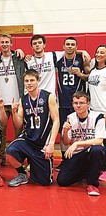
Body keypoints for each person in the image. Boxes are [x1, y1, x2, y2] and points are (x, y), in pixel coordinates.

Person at [6, 69, 59, 187]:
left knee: (44, 182)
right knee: (10, 152)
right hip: (28, 140)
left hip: (42, 143)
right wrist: (14, 113)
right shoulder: (23, 100)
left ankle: (35, 163)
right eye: (26, 81)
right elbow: (19, 124)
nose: (29, 83)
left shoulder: (48, 97)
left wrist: (51, 144)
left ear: (38, 81)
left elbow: (56, 121)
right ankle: (22, 174)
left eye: (32, 80)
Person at [57, 91, 106, 196]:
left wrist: (77, 144)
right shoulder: (70, 118)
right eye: (75, 103)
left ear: (88, 104)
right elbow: (66, 142)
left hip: (94, 152)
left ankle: (92, 184)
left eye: (81, 103)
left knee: (97, 149)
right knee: (62, 181)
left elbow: (99, 141)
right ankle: (90, 172)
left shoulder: (98, 117)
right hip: (78, 155)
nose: (78, 105)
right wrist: (65, 132)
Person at [55, 37, 90, 171]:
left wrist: (80, 73)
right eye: (67, 44)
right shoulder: (58, 60)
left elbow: (89, 75)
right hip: (62, 102)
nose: (70, 46)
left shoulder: (82, 59)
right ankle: (65, 160)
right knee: (64, 131)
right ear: (63, 46)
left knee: (80, 130)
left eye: (73, 45)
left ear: (76, 46)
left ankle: (82, 159)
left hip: (78, 102)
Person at [0, 33, 25, 166]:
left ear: (11, 43)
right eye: (2, 42)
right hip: (1, 102)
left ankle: (18, 158)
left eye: (7, 42)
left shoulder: (18, 58)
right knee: (1, 131)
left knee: (19, 132)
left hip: (16, 101)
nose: (4, 44)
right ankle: (1, 158)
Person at [87, 44, 106, 181]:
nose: (98, 54)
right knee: (97, 142)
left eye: (102, 52)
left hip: (104, 109)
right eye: (97, 52)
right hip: (93, 110)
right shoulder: (94, 70)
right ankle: (99, 168)